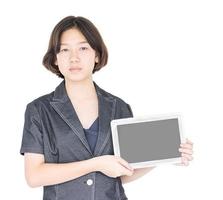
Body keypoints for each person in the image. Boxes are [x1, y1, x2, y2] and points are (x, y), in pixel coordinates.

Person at [20, 16, 194, 200]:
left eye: (83, 48)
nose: (74, 58)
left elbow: (123, 173)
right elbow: (34, 176)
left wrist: (165, 154)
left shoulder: (118, 107)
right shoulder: (39, 110)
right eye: (64, 50)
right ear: (55, 58)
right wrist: (95, 164)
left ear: (96, 55)